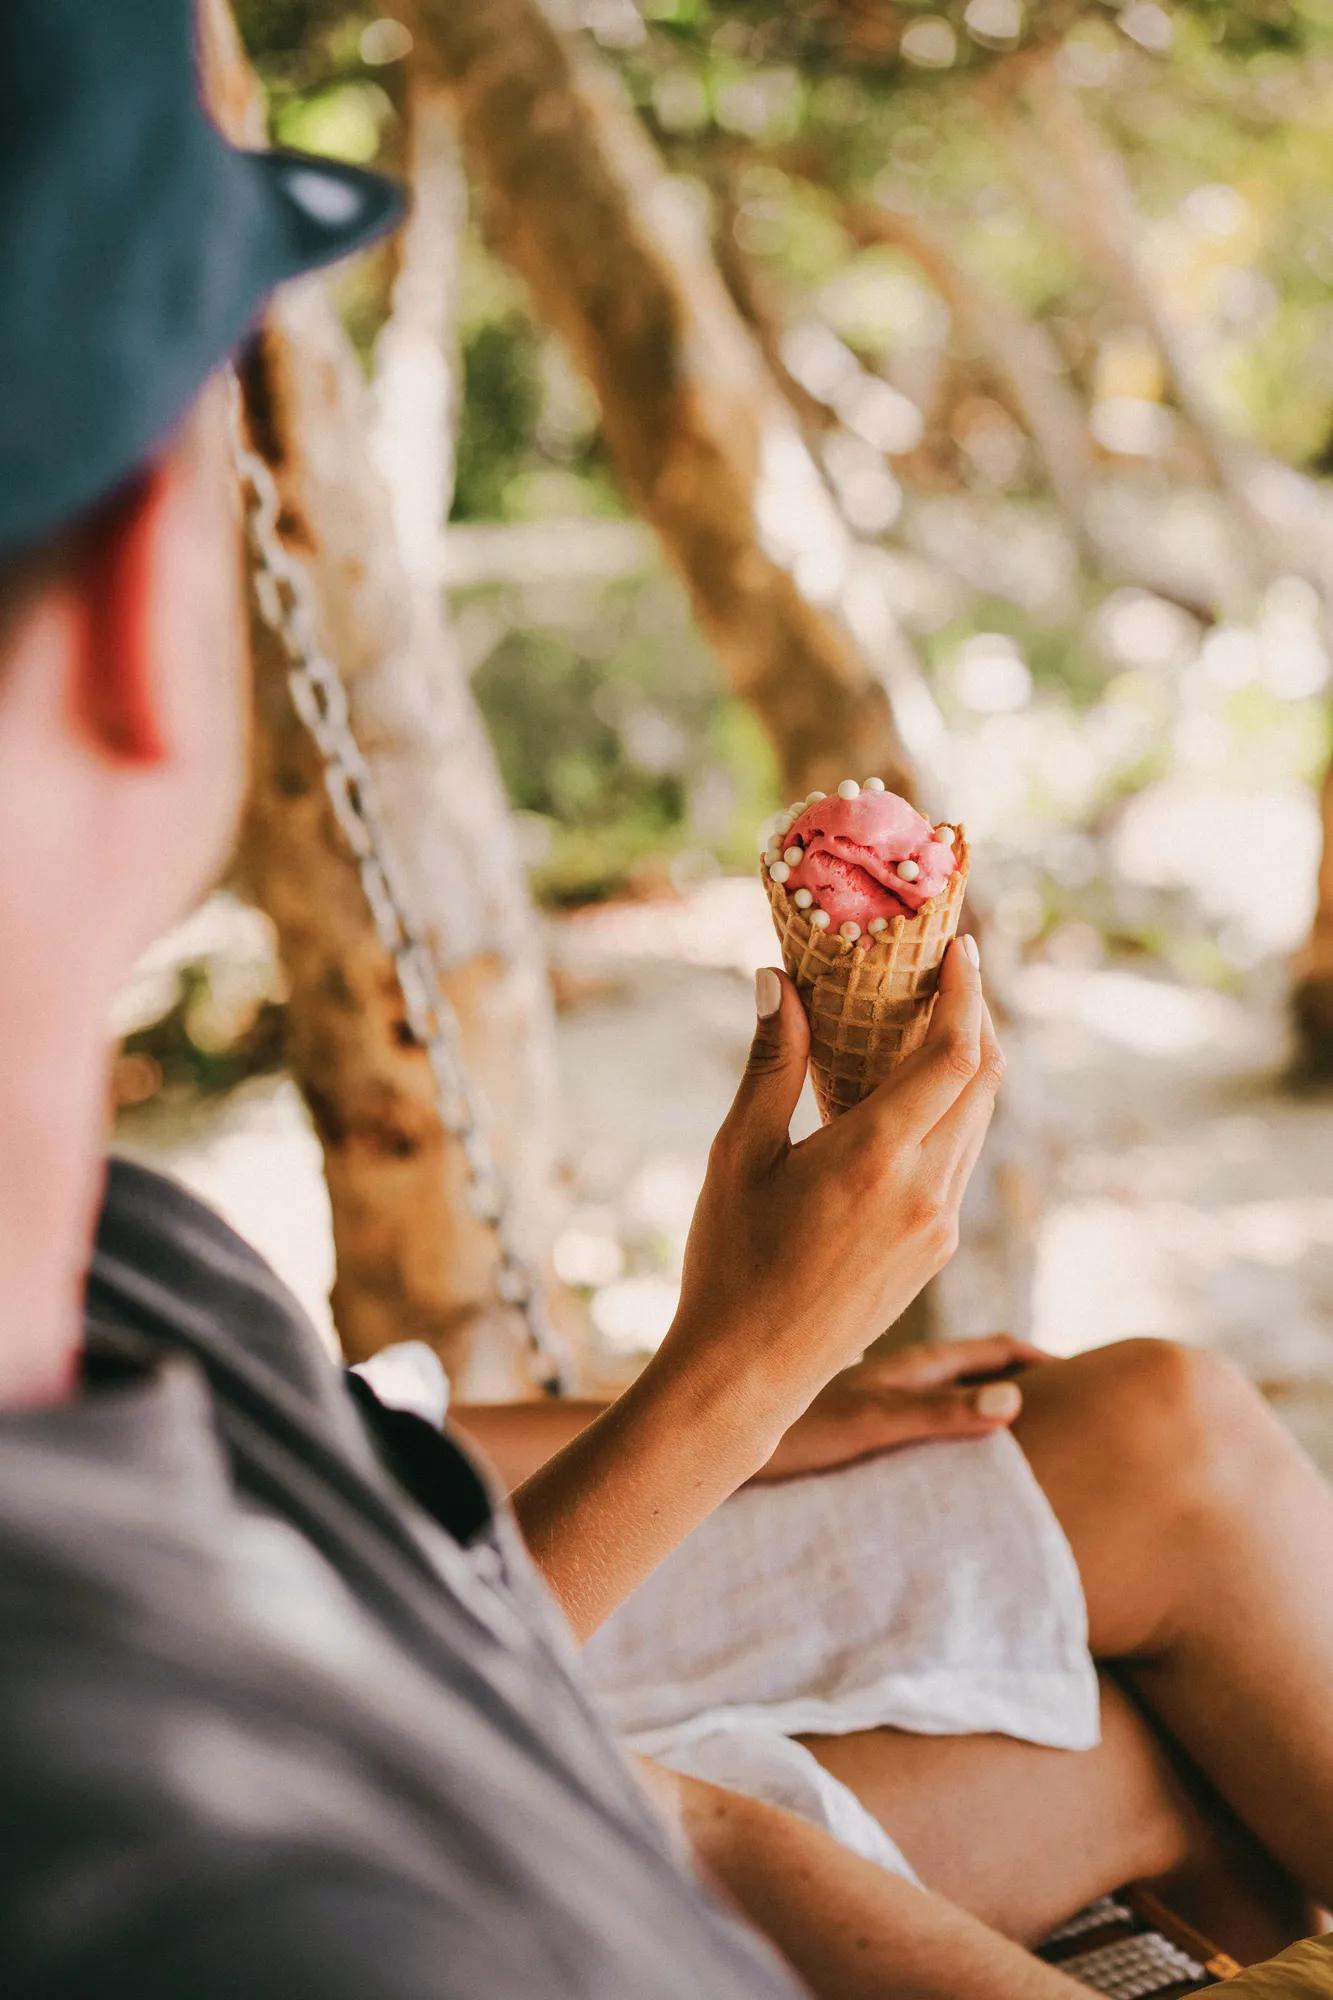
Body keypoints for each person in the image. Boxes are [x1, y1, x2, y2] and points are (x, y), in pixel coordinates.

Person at [3, 5, 1331, 1998]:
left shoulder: (114, 1262)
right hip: (495, 1703)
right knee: (1157, 1740)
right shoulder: (249, 1888)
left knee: (1155, 1432)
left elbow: (361, 1470)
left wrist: (752, 1367)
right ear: (134, 612)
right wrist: (732, 1385)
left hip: (453, 1608)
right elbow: (418, 1731)